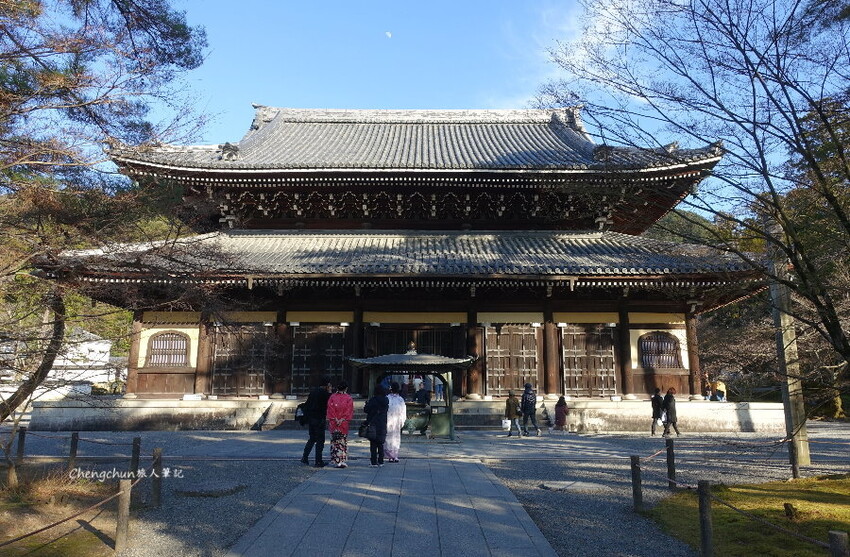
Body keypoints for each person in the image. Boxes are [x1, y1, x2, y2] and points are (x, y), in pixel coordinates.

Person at [301, 377, 333, 467]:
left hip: (311, 418)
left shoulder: (313, 392)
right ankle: (318, 461)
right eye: (329, 385)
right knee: (320, 440)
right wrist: (330, 392)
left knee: (312, 438)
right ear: (327, 385)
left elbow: (307, 404)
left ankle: (305, 457)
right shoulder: (325, 393)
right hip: (319, 419)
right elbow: (330, 402)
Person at [326, 380, 354, 468]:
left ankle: (335, 459)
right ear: (346, 388)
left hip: (334, 422)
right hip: (343, 423)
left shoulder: (332, 397)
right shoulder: (348, 398)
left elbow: (330, 409)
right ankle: (341, 460)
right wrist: (342, 419)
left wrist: (335, 419)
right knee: (342, 441)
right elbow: (349, 410)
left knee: (335, 441)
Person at [364, 385, 389, 467]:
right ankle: (381, 461)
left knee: (373, 443)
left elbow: (366, 410)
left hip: (373, 423)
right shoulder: (386, 400)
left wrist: (367, 404)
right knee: (380, 443)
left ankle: (374, 461)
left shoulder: (373, 400)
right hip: (382, 423)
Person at [384, 382, 406, 463]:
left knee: (393, 437)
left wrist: (401, 420)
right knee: (391, 437)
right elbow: (403, 411)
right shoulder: (398, 399)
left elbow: (403, 411)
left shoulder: (393, 398)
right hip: (391, 420)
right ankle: (391, 456)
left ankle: (394, 455)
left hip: (394, 420)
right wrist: (402, 420)